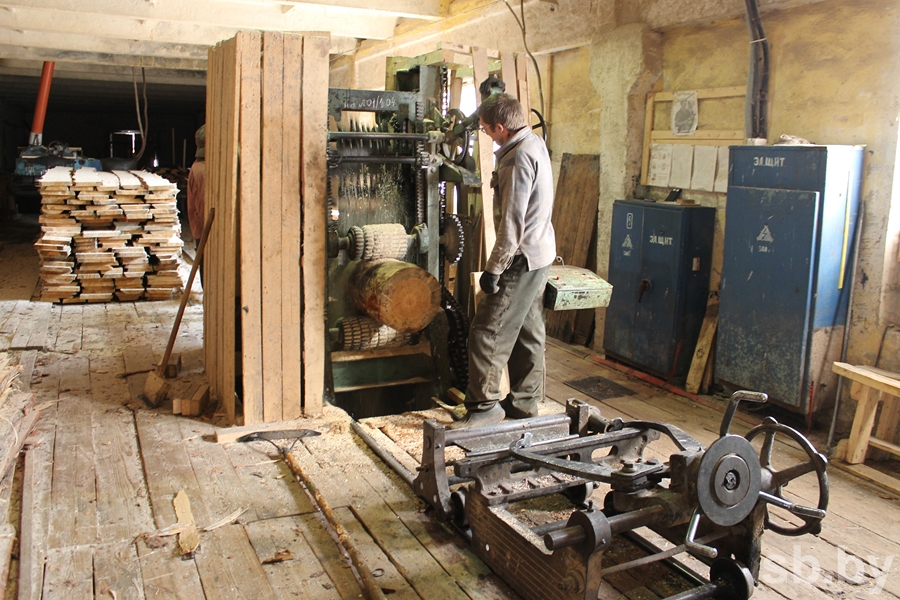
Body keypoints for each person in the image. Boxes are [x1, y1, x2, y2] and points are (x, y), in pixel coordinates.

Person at [451, 93, 556, 429]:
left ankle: (484, 408)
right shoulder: (534, 141)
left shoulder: (515, 161)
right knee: (528, 330)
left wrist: (493, 270)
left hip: (521, 258)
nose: (485, 134)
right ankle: (524, 404)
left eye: (485, 129)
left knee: (486, 330)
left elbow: (512, 225)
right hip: (541, 253)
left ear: (501, 127)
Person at [187, 124, 206, 282]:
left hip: (202, 228)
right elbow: (204, 207)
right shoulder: (202, 170)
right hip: (206, 230)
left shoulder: (199, 167)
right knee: (208, 272)